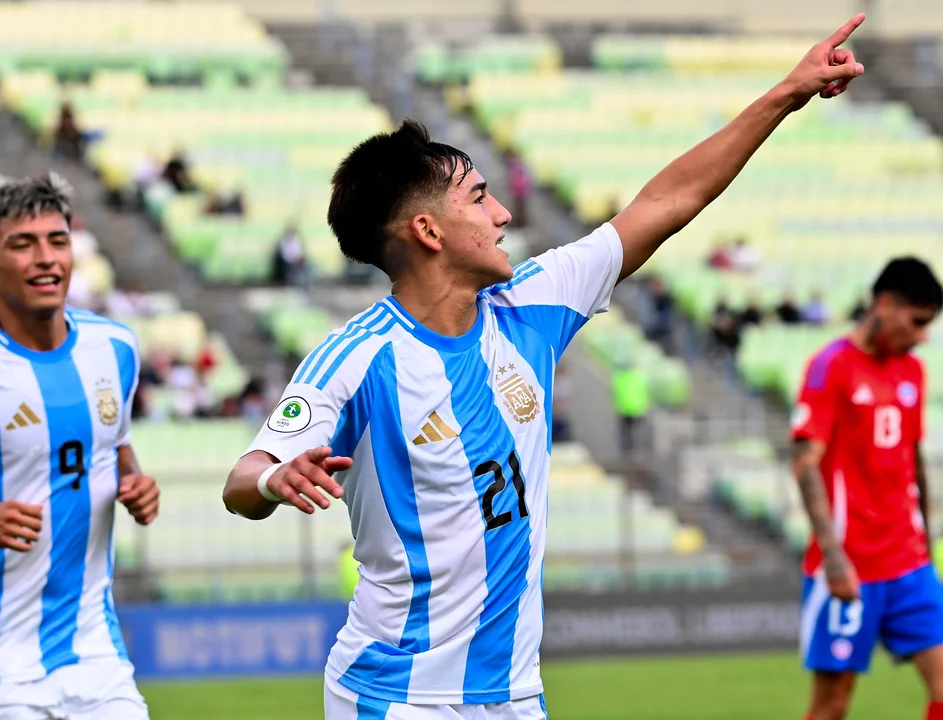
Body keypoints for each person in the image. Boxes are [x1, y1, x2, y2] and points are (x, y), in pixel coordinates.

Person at [222, 15, 867, 720]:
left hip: (513, 698)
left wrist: (786, 95)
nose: (502, 213)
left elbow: (668, 202)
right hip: (396, 697)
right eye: (478, 196)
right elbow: (241, 481)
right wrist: (275, 478)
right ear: (428, 231)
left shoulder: (530, 305)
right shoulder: (359, 357)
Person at [0, 175, 160, 718]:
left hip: (95, 653)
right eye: (22, 244)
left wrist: (136, 483)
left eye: (57, 240)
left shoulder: (113, 348)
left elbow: (116, 449)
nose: (45, 258)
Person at [791, 256, 943, 720]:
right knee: (831, 707)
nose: (924, 335)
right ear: (885, 304)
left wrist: (926, 546)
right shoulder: (830, 366)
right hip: (850, 565)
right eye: (918, 321)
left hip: (908, 562)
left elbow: (914, 462)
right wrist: (833, 558)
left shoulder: (912, 371)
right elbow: (805, 463)